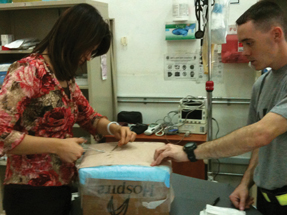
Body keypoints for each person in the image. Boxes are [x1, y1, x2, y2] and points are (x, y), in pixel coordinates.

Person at [151, 1, 287, 215]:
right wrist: (246, 182)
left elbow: (261, 134)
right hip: (267, 199)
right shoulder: (262, 84)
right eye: (242, 43)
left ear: (276, 35)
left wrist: (191, 152)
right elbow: (260, 146)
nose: (244, 51)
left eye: (249, 42)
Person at [0, 3, 136, 215]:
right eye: (89, 50)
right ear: (74, 39)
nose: (89, 57)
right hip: (29, 192)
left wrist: (113, 128)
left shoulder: (64, 76)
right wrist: (58, 146)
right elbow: (2, 134)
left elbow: (88, 117)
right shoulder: (27, 72)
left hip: (61, 185)